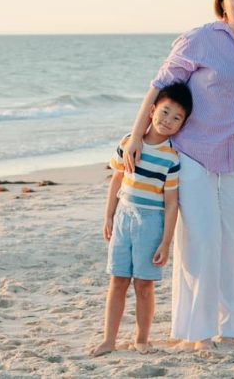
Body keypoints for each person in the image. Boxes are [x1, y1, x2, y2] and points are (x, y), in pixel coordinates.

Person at [122, 0, 234, 350]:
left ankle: (232, 327)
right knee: (201, 239)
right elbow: (158, 86)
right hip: (195, 152)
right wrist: (137, 136)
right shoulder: (201, 39)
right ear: (222, 2)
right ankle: (199, 330)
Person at [90, 83, 192, 357]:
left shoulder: (172, 157)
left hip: (151, 222)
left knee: (144, 285)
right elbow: (117, 179)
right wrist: (109, 215)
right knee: (118, 280)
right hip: (124, 216)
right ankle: (109, 339)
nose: (167, 121)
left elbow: (172, 204)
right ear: (151, 110)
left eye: (176, 118)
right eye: (165, 112)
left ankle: (142, 339)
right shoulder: (129, 142)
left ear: (183, 124)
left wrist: (166, 242)